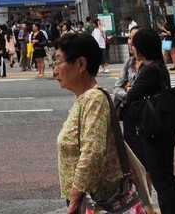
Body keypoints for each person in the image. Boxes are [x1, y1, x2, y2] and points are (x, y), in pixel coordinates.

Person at [54, 31, 127, 214]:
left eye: (58, 62)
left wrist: (76, 195)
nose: (54, 70)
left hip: (94, 200)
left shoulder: (94, 99)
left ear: (80, 64)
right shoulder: (83, 99)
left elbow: (93, 151)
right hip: (84, 197)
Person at [120, 26, 175, 214]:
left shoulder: (149, 70)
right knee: (166, 178)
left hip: (155, 133)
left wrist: (128, 89)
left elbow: (131, 96)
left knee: (162, 181)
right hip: (163, 130)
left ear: (142, 48)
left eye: (135, 45)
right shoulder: (159, 65)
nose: (133, 48)